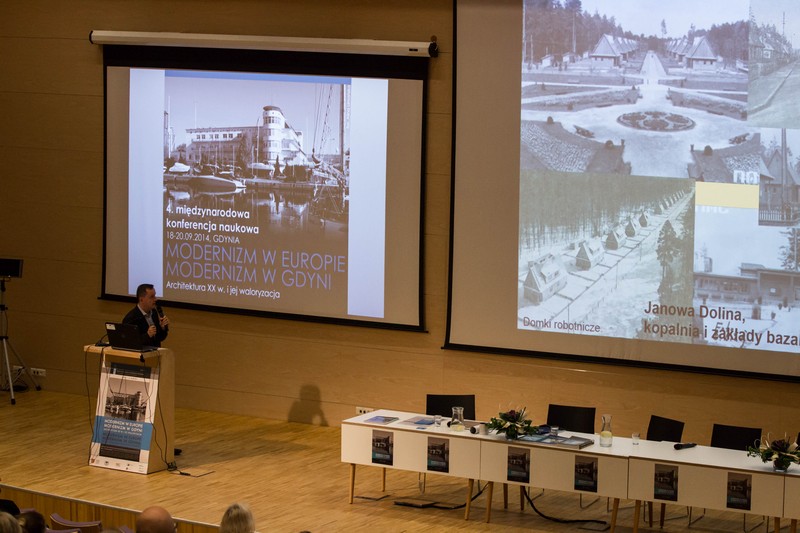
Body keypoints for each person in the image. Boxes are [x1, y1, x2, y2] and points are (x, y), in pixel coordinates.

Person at [123, 284, 169, 348]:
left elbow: (159, 338)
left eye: (155, 296)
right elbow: (130, 343)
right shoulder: (131, 318)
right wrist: (147, 335)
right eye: (151, 297)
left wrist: (162, 328)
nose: (155, 299)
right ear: (141, 299)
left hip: (155, 354)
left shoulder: (154, 313)